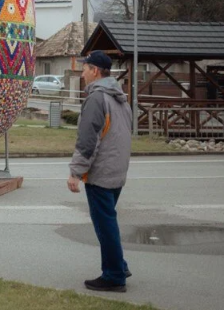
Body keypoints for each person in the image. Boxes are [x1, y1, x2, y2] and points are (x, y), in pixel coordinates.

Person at [67, 50, 133, 292]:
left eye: (85, 68)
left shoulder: (97, 99)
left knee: (105, 225)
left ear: (95, 71)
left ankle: (114, 275)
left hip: (102, 173)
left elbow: (88, 140)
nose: (82, 73)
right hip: (117, 170)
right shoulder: (120, 98)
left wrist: (75, 172)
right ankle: (120, 265)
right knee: (108, 220)